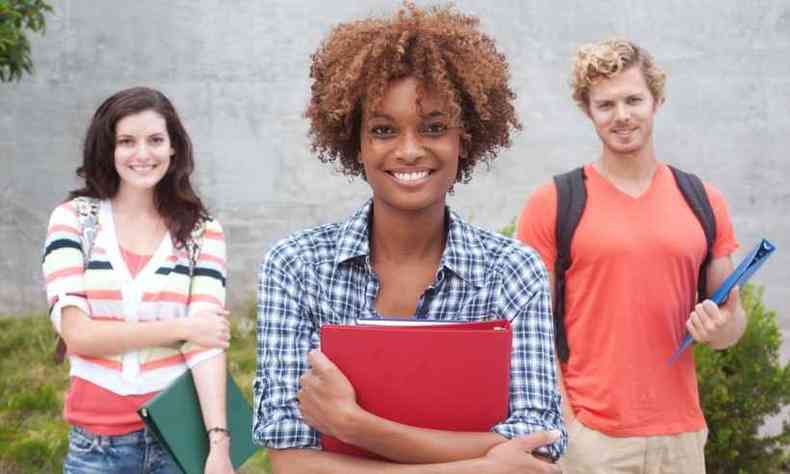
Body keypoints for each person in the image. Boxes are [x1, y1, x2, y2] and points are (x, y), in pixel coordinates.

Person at [253, 4, 565, 474]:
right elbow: (292, 461)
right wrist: (481, 464)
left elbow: (536, 446)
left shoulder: (511, 271)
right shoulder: (297, 267)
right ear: (355, 143)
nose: (410, 149)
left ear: (465, 138)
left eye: (434, 127)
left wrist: (354, 425)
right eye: (382, 130)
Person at [517, 38, 745, 473]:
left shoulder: (703, 200)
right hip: (591, 440)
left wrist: (719, 327)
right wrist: (568, 425)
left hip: (681, 439)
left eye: (633, 100)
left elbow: (731, 328)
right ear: (588, 111)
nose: (622, 116)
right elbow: (529, 330)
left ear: (656, 100)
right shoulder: (553, 203)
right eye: (606, 105)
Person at [42, 87, 234, 474]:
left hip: (179, 438)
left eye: (155, 140)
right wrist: (182, 327)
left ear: (173, 147)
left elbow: (206, 344)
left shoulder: (202, 231)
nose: (142, 154)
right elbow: (79, 335)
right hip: (98, 445)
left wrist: (218, 444)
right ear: (107, 149)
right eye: (127, 141)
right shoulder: (73, 221)